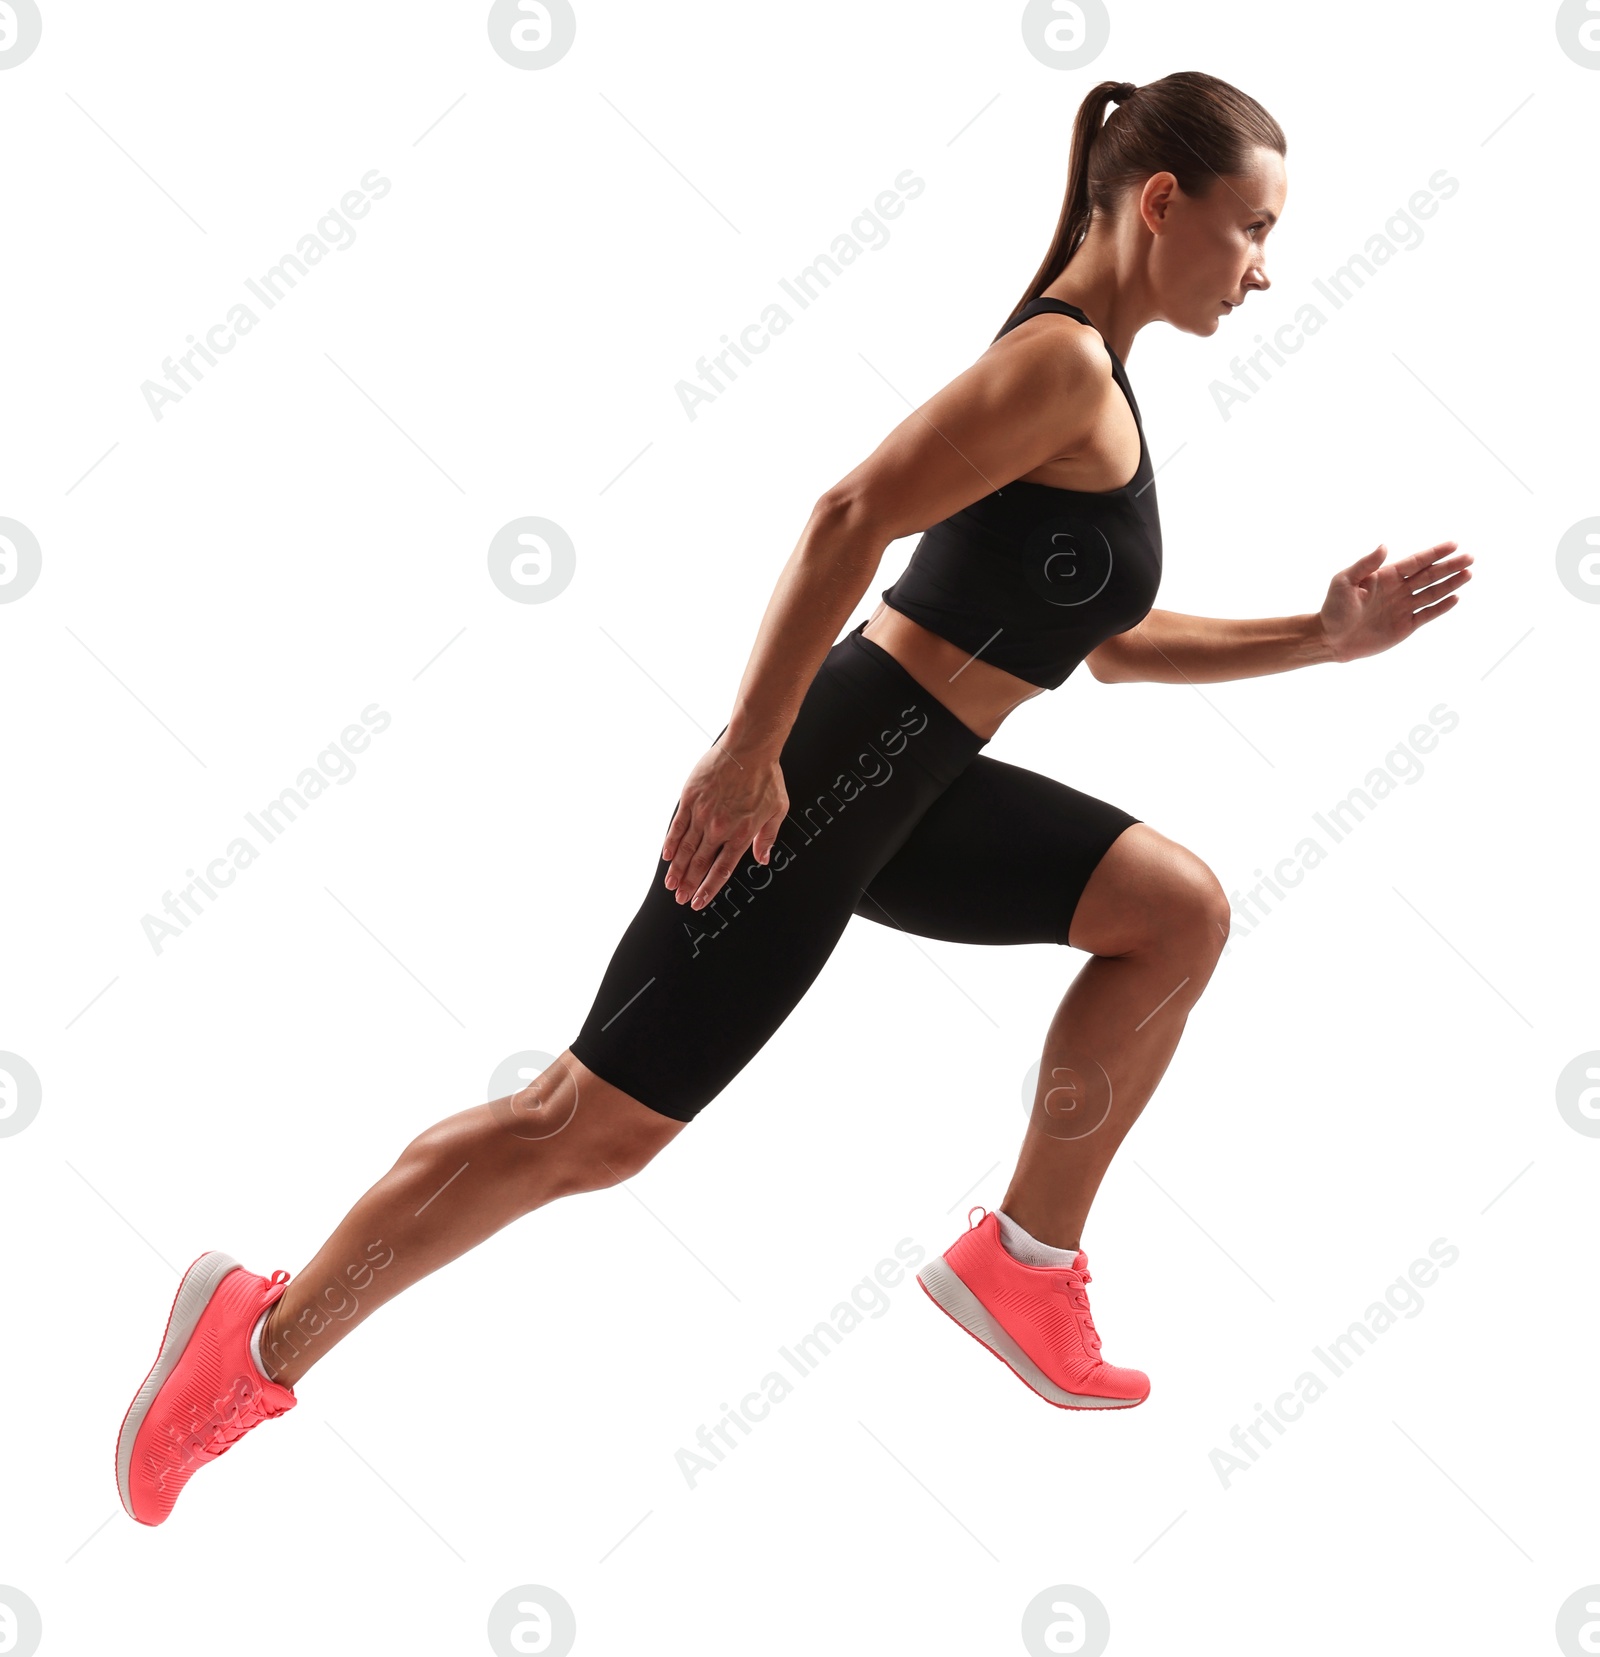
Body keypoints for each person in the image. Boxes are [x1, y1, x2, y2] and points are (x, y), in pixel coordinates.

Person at [114, 70, 1471, 1524]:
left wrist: (1319, 639)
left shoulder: (1097, 385)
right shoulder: (1066, 368)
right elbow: (848, 513)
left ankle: (1025, 1262)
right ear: (1161, 205)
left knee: (1175, 910)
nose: (1267, 268)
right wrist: (752, 746)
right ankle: (254, 1337)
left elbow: (1111, 649)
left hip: (912, 778)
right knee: (584, 1123)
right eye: (1253, 229)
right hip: (827, 772)